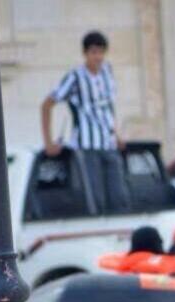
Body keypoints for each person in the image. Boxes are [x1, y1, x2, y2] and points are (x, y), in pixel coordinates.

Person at [41, 31, 131, 213]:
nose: (97, 57)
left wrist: (117, 134)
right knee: (94, 198)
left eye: (101, 52)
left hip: (108, 143)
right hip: (87, 146)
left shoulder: (107, 71)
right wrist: (48, 142)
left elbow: (108, 107)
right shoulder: (75, 77)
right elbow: (47, 105)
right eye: (93, 52)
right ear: (85, 53)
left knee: (119, 196)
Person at [98, 226, 175, 274]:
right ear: (156, 242)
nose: (162, 241)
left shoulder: (124, 266)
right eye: (158, 239)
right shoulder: (165, 264)